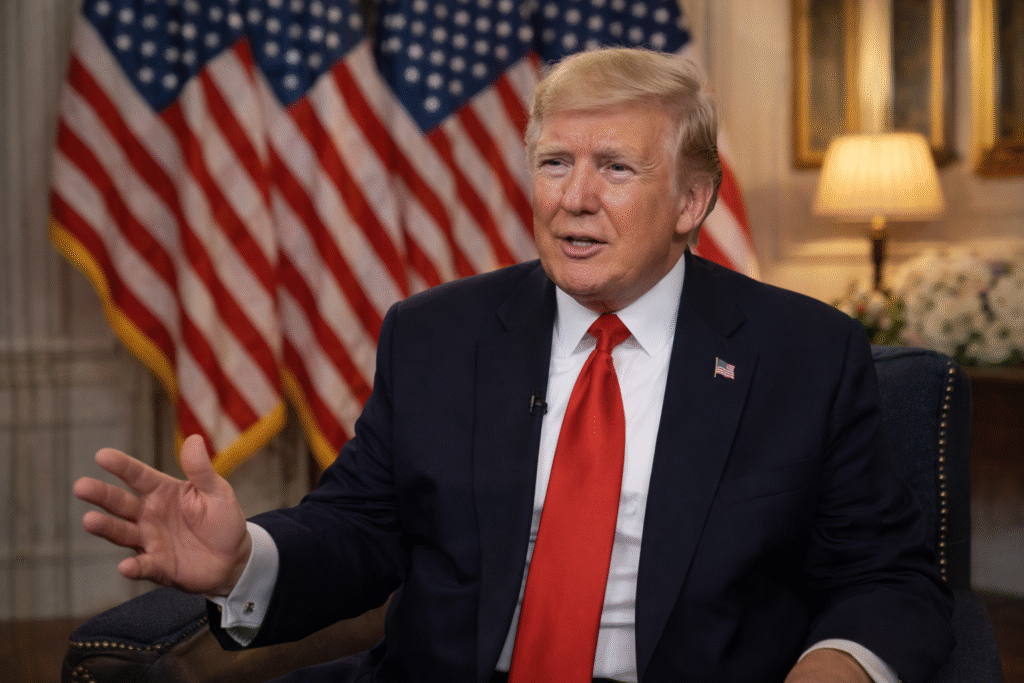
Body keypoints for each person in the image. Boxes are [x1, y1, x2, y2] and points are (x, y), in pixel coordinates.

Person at [74, 48, 954, 683]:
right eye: (555, 162)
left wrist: (831, 669)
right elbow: (359, 528)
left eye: (614, 167)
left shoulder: (801, 353)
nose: (574, 197)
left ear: (693, 199)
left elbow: (887, 575)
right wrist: (243, 561)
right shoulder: (436, 335)